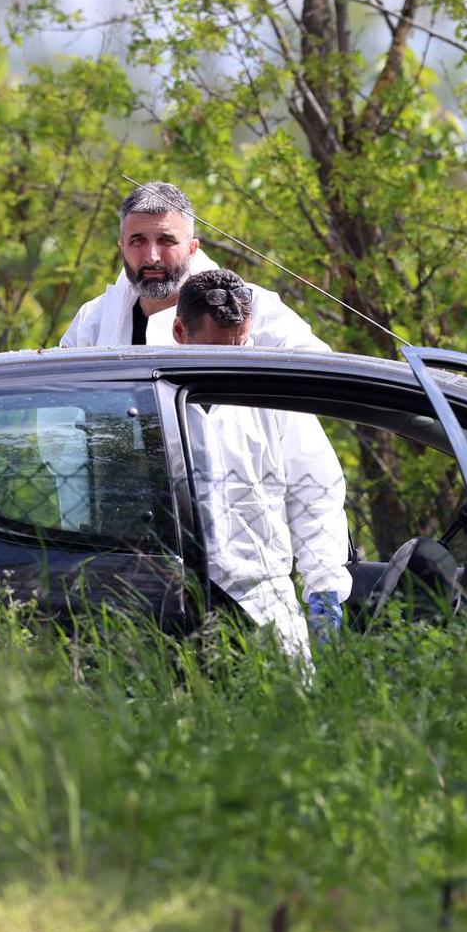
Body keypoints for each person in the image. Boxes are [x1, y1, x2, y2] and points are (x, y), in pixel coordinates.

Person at [172, 269, 351, 658]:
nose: (231, 364)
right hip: (172, 605)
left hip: (265, 603)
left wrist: (325, 591)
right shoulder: (153, 405)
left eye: (241, 347)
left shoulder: (273, 401)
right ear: (180, 334)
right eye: (217, 351)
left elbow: (315, 493)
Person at [59, 181, 328, 351]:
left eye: (166, 240)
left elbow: (317, 367)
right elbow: (60, 402)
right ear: (122, 247)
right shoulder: (93, 320)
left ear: (192, 248)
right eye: (138, 241)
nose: (152, 257)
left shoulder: (246, 305)